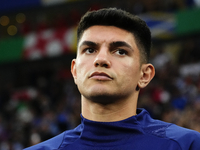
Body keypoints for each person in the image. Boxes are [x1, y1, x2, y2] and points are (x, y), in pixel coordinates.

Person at [24, 8, 200, 150]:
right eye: (90, 50)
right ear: (75, 70)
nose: (100, 59)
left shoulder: (187, 145)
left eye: (120, 51)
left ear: (144, 75)